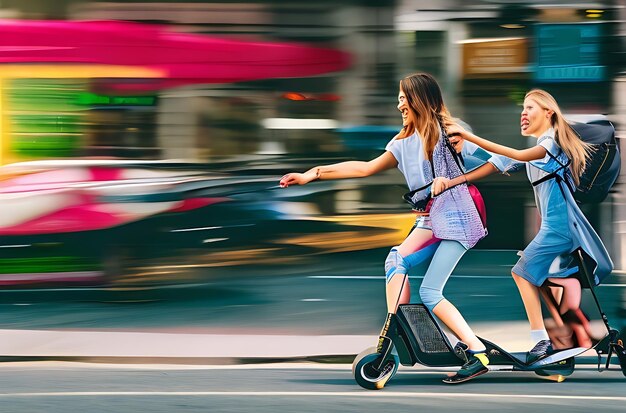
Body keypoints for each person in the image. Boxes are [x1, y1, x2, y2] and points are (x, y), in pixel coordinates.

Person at [280, 72, 509, 383]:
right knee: (397, 261)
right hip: (429, 219)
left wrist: (456, 177)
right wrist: (313, 173)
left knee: (429, 291)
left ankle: (476, 352)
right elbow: (364, 168)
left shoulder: (450, 133)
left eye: (403, 97)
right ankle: (400, 327)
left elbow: (501, 162)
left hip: (457, 216)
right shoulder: (402, 142)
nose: (398, 103)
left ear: (418, 100)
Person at [438, 89, 613, 361]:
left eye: (530, 107)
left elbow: (518, 156)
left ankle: (540, 340)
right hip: (554, 229)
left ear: (548, 112)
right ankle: (571, 334)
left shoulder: (552, 141)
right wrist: (452, 178)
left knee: (521, 273)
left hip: (562, 228)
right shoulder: (536, 149)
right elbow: (494, 164)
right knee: (536, 278)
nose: (523, 113)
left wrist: (468, 135)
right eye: (523, 108)